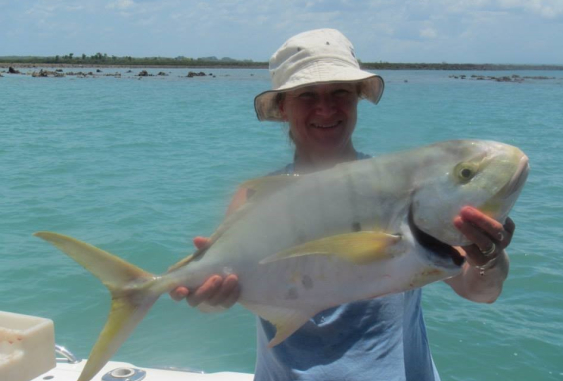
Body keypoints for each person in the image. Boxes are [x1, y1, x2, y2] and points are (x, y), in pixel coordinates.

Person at [170, 29, 515, 380]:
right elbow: (225, 293)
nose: (326, 107)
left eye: (340, 92)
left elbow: (479, 290)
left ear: (356, 100)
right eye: (307, 95)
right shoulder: (256, 197)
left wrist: (487, 256)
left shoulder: (403, 189)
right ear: (283, 107)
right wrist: (210, 297)